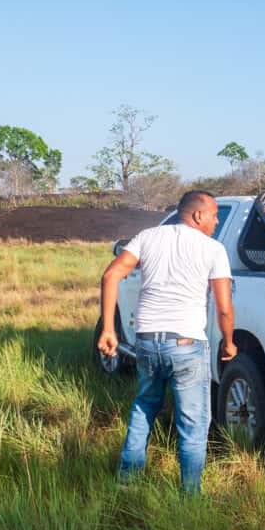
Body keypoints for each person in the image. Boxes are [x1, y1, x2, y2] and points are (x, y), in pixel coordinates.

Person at [97, 190, 237, 494]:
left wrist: (109, 329)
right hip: (187, 346)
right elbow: (224, 307)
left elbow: (111, 276)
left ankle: (127, 483)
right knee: (193, 423)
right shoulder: (213, 249)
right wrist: (228, 342)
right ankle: (190, 497)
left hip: (146, 341)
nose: (216, 221)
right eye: (214, 215)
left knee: (144, 406)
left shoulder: (148, 237)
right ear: (198, 215)